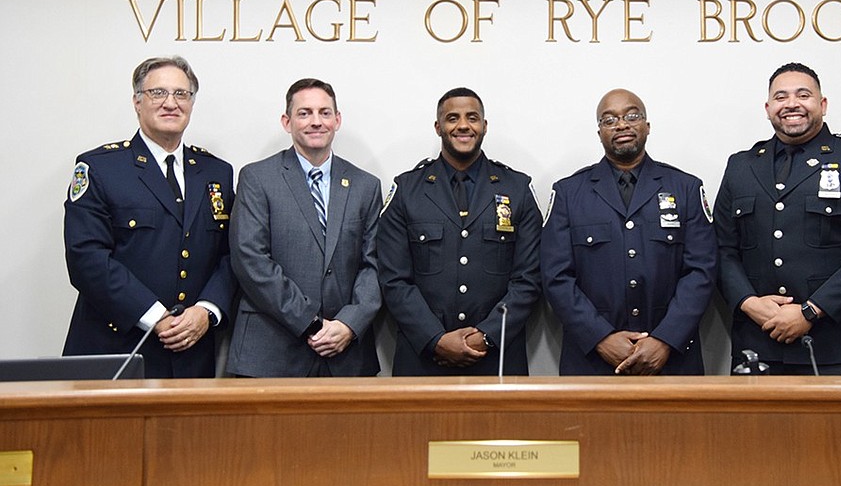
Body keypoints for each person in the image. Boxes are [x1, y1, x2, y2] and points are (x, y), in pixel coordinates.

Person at [714, 63, 841, 375]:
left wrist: (811, 311)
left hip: (838, 347)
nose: (791, 103)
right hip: (759, 342)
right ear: (768, 108)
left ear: (822, 104)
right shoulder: (741, 166)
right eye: (780, 97)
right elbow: (721, 248)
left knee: (840, 428)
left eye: (803, 94)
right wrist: (748, 302)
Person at [63, 56, 234, 378]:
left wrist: (206, 310)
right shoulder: (101, 168)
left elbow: (230, 255)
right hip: (117, 347)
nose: (171, 103)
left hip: (192, 352)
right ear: (137, 102)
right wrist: (154, 315)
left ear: (192, 103)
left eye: (181, 94)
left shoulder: (217, 172)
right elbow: (85, 257)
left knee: (188, 431)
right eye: (158, 93)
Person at [541, 89, 716, 375]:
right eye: (609, 120)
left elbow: (702, 271)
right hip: (592, 362)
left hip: (672, 360)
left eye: (632, 116)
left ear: (648, 125)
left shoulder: (685, 187)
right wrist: (600, 337)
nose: (621, 125)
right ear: (599, 132)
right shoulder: (568, 193)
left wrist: (665, 339)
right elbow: (556, 276)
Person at [378, 88, 541, 375]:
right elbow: (394, 280)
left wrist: (486, 336)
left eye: (472, 117)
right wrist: (435, 339)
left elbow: (529, 279)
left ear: (484, 126)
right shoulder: (407, 190)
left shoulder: (517, 188)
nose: (463, 125)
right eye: (452, 118)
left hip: (497, 359)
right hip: (423, 360)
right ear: (438, 127)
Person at [227, 78, 383, 377]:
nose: (316, 122)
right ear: (287, 122)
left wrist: (349, 323)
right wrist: (310, 322)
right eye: (304, 113)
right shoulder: (257, 178)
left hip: (346, 354)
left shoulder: (366, 185)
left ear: (337, 120)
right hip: (271, 354)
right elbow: (251, 260)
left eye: (325, 113)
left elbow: (374, 264)